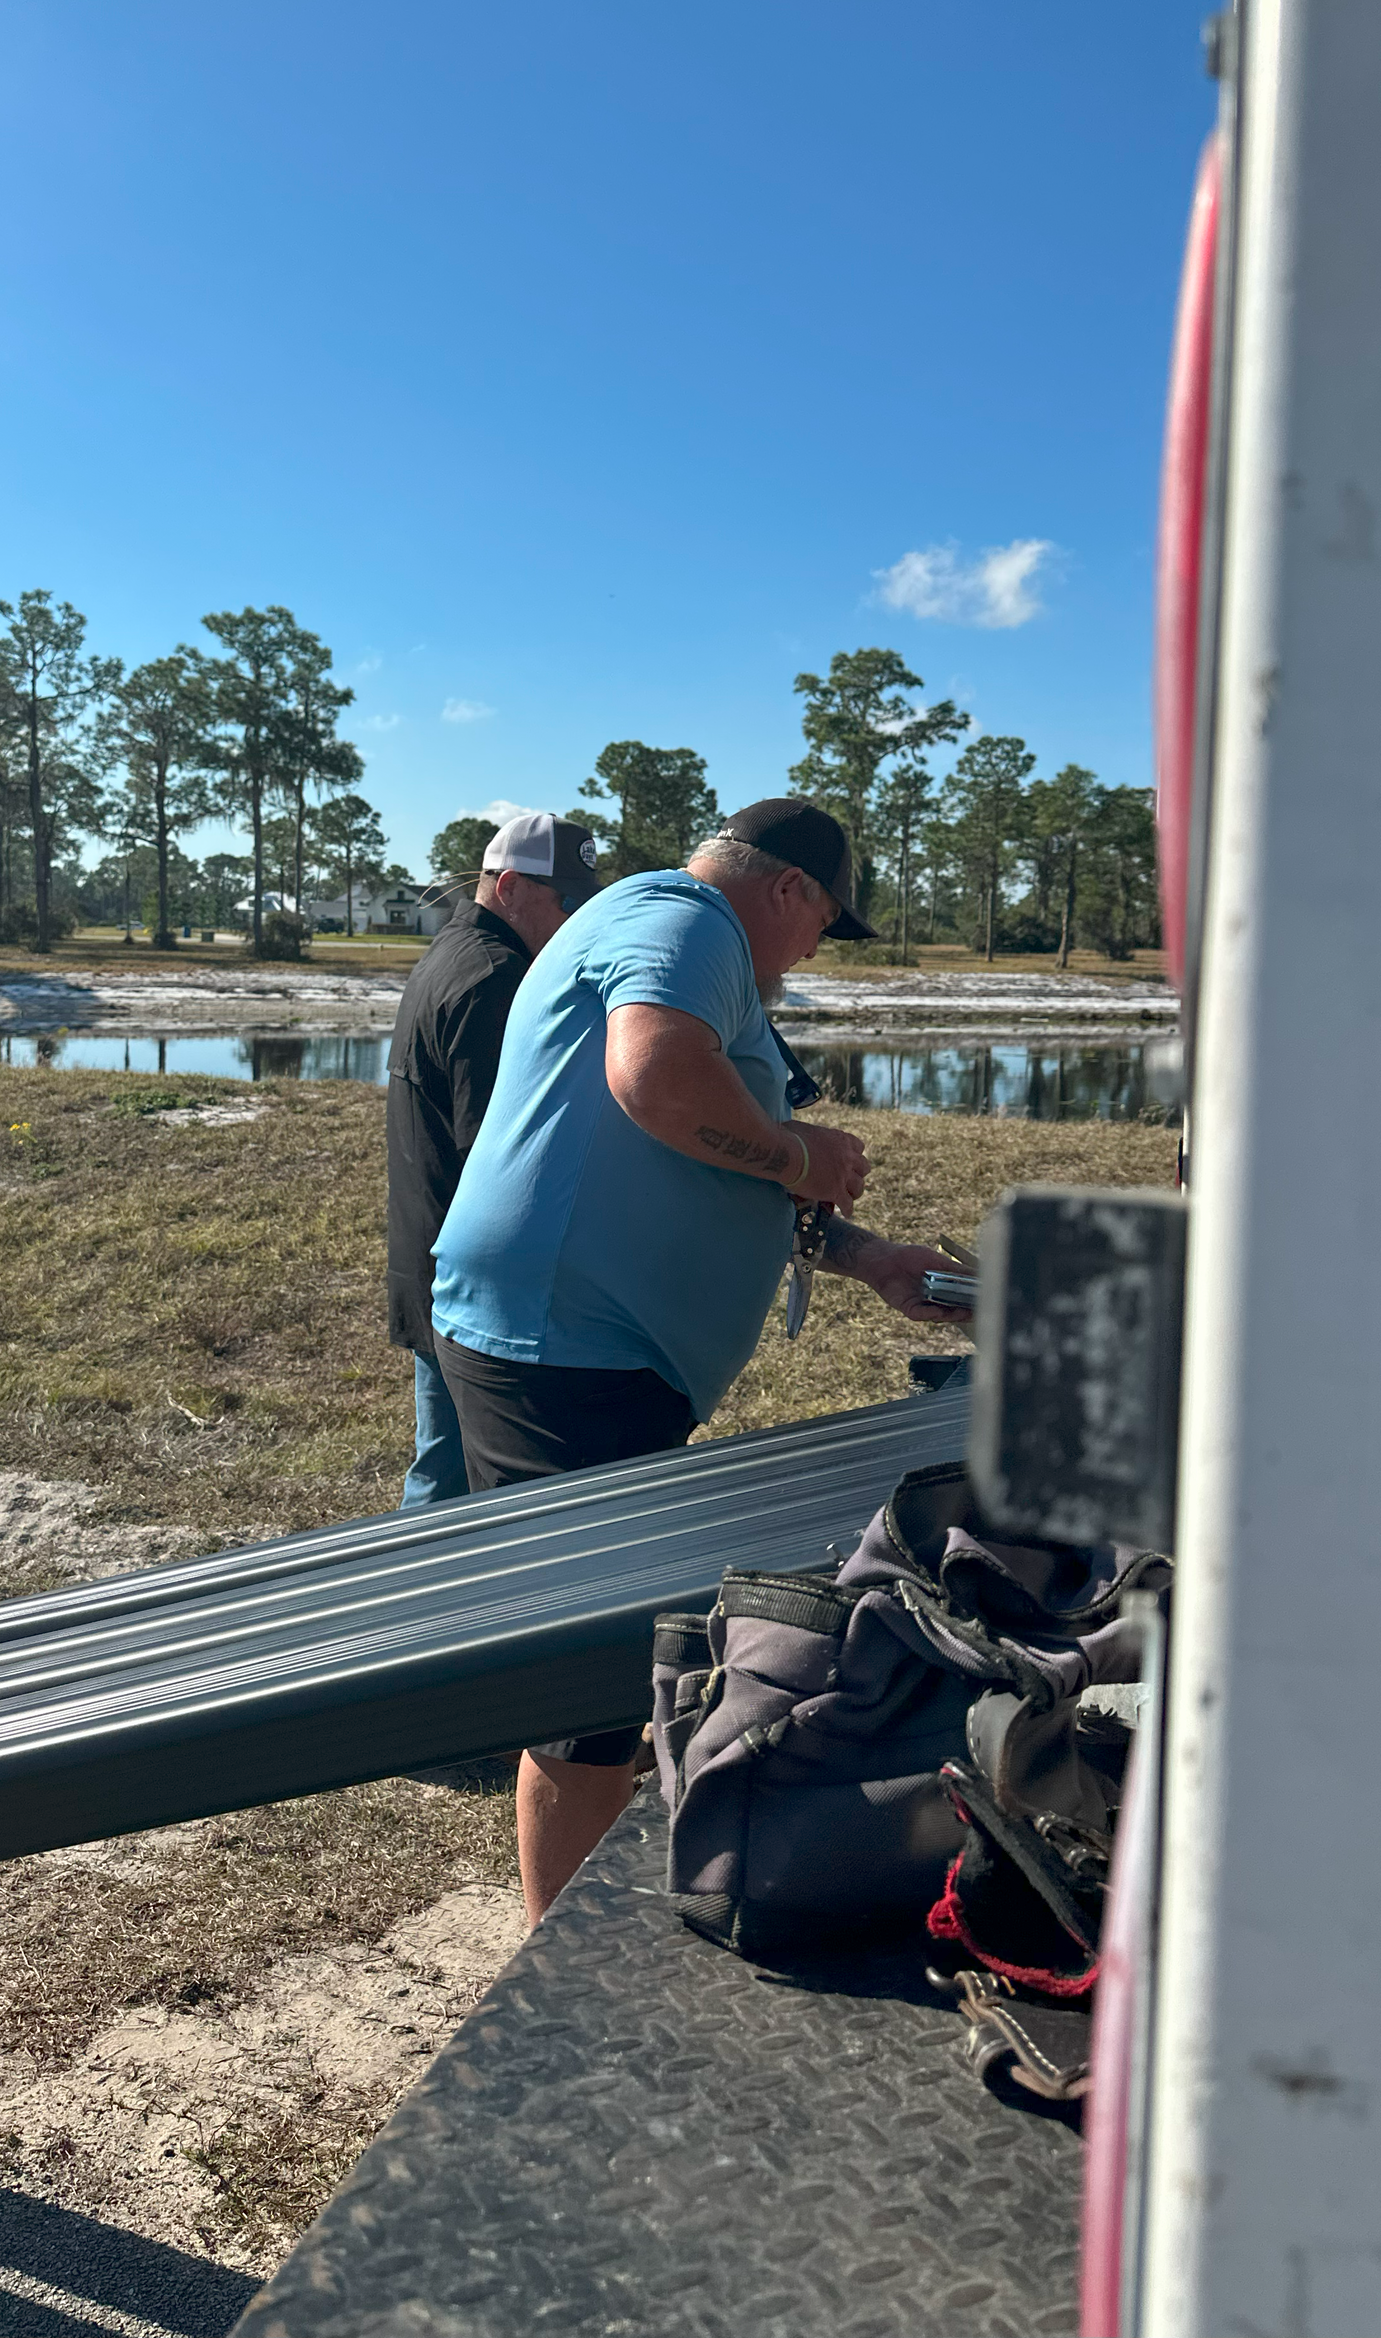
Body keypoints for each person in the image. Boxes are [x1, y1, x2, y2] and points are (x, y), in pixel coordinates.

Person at [429, 797, 969, 1922]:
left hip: (594, 1352)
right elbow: (659, 1079)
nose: (815, 950)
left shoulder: (696, 950)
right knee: (585, 1688)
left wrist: (866, 1257)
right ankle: (551, 1956)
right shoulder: (686, 920)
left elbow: (722, 1167)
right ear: (787, 892)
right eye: (824, 923)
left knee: (602, 1669)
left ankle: (564, 1913)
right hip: (562, 1350)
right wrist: (796, 1148)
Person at [386, 810, 603, 1505]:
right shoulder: (495, 978)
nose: (575, 920)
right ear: (509, 886)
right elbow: (504, 1151)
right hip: (471, 1287)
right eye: (565, 902)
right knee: (456, 1485)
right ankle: (413, 1605)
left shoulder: (452, 953)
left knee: (441, 1465)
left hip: (434, 1253)